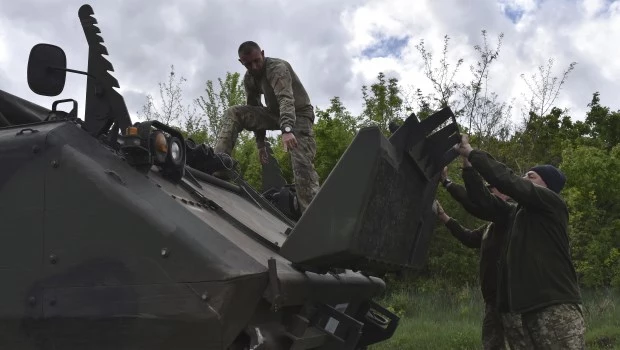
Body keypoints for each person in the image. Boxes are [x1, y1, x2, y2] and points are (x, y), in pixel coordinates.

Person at [454, 134, 585, 349]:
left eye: (530, 176)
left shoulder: (551, 202)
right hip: (525, 311)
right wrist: (467, 165)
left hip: (554, 308)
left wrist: (472, 152)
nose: (524, 179)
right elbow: (483, 202)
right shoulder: (515, 212)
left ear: (547, 185)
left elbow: (508, 180)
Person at [213, 41, 320, 213]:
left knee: (301, 165)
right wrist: (261, 144)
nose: (254, 67)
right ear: (241, 62)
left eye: (257, 61)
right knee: (234, 112)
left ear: (262, 54)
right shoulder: (249, 79)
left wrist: (286, 130)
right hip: (273, 113)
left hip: (299, 114)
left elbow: (286, 99)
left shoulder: (277, 68)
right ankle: (219, 167)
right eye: (248, 64)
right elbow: (254, 110)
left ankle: (310, 213)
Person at [435, 155, 514, 350]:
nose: (487, 194)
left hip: (512, 301)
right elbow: (469, 238)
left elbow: (475, 201)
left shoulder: (511, 217)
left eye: (491, 190)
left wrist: (450, 180)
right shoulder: (491, 227)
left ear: (504, 195)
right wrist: (444, 216)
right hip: (493, 301)